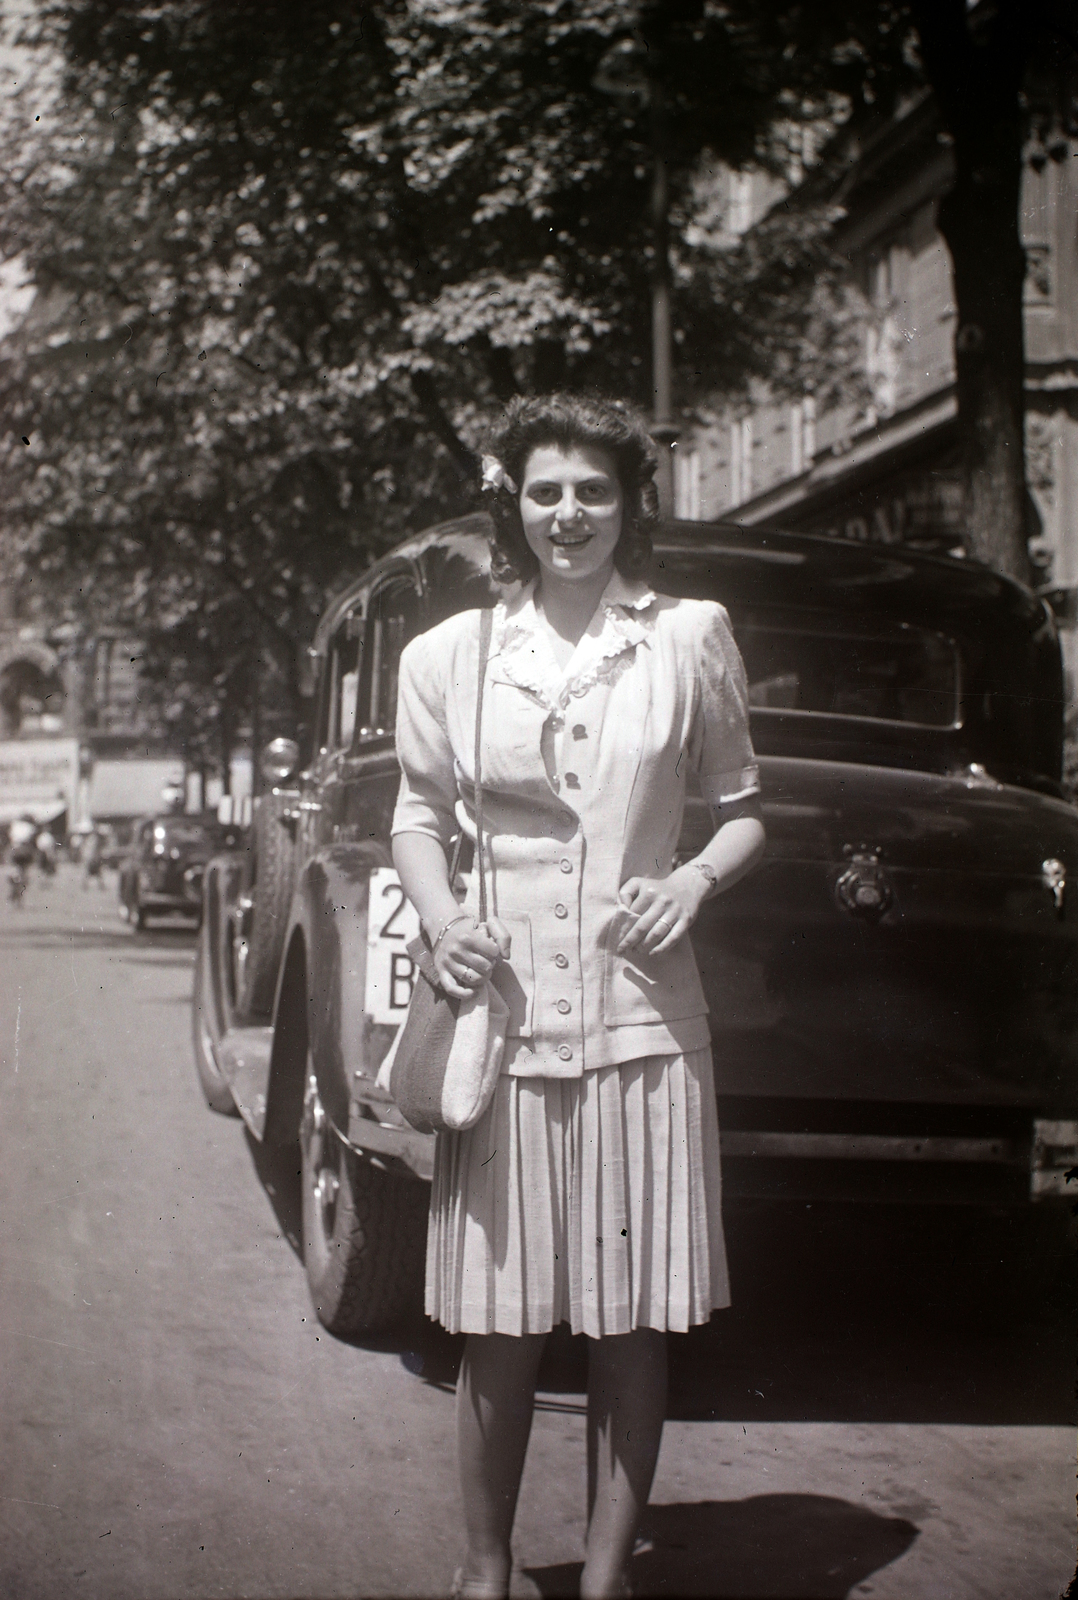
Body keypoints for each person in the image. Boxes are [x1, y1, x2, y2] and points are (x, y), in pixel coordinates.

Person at [391, 394, 766, 1600]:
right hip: (504, 1025)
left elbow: (743, 806)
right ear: (514, 501)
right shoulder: (450, 654)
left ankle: (606, 1583)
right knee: (498, 1321)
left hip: (643, 1022)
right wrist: (446, 924)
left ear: (627, 504)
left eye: (593, 492)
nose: (568, 515)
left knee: (629, 1317)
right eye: (546, 491)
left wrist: (693, 880)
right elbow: (412, 818)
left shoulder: (688, 636)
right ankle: (486, 1573)